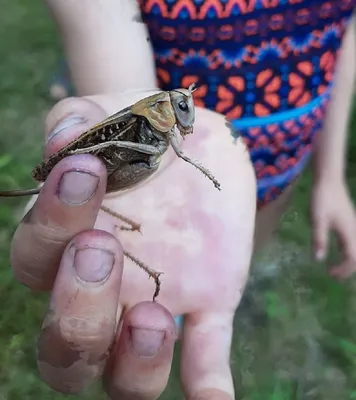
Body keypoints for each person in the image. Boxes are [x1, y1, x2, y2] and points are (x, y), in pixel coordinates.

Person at [9, 0, 356, 398]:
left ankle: (202, 299)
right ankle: (164, 308)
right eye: (180, 105)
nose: (184, 110)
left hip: (273, 179)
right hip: (147, 163)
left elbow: (344, 32)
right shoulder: (157, 119)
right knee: (109, 189)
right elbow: (110, 52)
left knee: (239, 250)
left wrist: (330, 177)